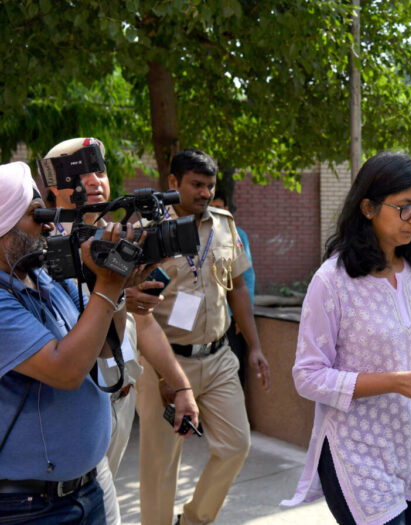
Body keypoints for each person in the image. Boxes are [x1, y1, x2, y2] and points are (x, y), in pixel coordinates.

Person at [281, 151, 411, 525]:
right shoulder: (331, 282)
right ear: (368, 208)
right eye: (404, 207)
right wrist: (396, 382)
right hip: (357, 452)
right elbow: (308, 376)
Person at [44, 137, 200, 525]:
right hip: (77, 405)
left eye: (99, 170)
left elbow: (144, 323)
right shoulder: (44, 248)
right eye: (78, 172)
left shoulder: (123, 233)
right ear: (52, 188)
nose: (93, 180)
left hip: (121, 396)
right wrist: (112, 294)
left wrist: (179, 384)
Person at [135, 148, 270, 525]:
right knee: (160, 465)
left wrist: (255, 347)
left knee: (236, 445)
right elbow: (134, 306)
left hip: (218, 355)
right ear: (173, 182)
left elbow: (238, 287)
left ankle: (193, 520)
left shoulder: (224, 225)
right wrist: (163, 374)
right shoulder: (147, 231)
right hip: (165, 360)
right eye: (196, 184)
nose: (205, 193)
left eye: (210, 186)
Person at [0, 161, 136, 523]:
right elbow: (66, 370)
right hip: (30, 508)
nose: (47, 222)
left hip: (86, 489)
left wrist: (116, 285)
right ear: (4, 228)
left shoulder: (43, 278)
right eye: (34, 213)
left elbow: (106, 347)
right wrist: (107, 284)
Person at [211, 191, 255, 388]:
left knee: (235, 370)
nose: (215, 213)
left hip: (230, 317)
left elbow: (246, 278)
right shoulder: (193, 232)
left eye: (219, 208)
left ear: (226, 209)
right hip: (204, 320)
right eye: (211, 208)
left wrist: (244, 314)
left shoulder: (236, 234)